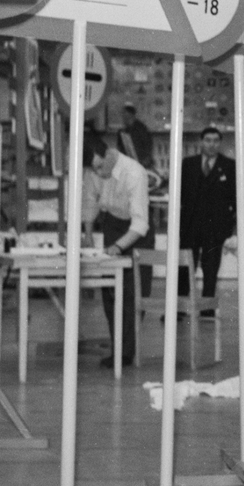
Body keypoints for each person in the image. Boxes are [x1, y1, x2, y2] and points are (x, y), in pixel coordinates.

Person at [83, 132, 154, 368]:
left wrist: (118, 247)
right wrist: (89, 233)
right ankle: (117, 350)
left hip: (137, 232)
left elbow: (140, 223)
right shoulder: (92, 169)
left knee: (133, 294)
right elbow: (91, 200)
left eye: (100, 167)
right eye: (93, 169)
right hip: (112, 223)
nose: (98, 173)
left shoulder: (133, 172)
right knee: (110, 293)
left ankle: (126, 353)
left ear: (106, 154)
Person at [178, 126, 235, 308]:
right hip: (190, 226)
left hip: (215, 227)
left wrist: (230, 228)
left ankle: (208, 309)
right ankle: (179, 308)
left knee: (211, 270)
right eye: (208, 140)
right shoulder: (188, 164)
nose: (211, 144)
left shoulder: (229, 166)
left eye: (215, 141)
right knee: (185, 269)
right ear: (201, 142)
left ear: (220, 143)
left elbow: (235, 197)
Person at [118, 102, 153, 168]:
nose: (123, 116)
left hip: (141, 164)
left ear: (130, 114)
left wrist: (145, 161)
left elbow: (148, 145)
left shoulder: (141, 128)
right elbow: (120, 148)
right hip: (130, 164)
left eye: (124, 113)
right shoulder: (124, 131)